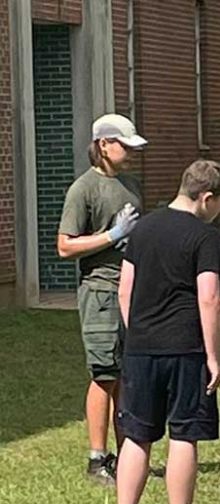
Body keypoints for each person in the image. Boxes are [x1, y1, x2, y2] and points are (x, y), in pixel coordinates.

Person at [101, 160, 220, 504]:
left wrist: (138, 331)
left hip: (140, 349)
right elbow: (208, 298)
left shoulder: (142, 229)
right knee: (183, 435)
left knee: (137, 435)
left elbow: (124, 289)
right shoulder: (205, 237)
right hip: (185, 348)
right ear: (206, 198)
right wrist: (213, 356)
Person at [57, 114, 146, 485]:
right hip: (100, 292)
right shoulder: (84, 189)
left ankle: (126, 454)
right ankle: (98, 459)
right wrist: (112, 236)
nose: (130, 152)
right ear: (104, 145)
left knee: (127, 374)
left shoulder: (131, 185)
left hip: (131, 291)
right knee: (104, 375)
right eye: (124, 145)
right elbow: (65, 246)